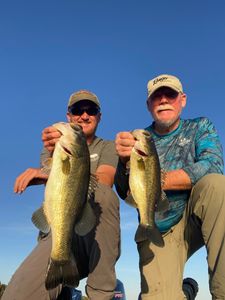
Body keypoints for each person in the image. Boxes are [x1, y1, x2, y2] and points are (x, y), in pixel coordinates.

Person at [114, 74, 225, 300]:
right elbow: (125, 192)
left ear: (182, 99)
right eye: (157, 96)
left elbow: (213, 164)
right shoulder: (139, 140)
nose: (164, 100)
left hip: (199, 217)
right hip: (159, 228)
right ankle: (185, 291)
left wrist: (153, 179)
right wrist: (124, 163)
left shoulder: (200, 127)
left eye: (170, 94)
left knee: (217, 185)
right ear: (148, 105)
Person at [3, 90, 120, 300]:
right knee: (15, 295)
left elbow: (104, 180)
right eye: (77, 110)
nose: (84, 116)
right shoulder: (55, 147)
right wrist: (50, 151)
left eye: (91, 110)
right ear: (69, 116)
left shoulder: (108, 147)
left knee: (104, 194)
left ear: (99, 116)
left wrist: (55, 170)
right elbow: (52, 174)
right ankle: (61, 277)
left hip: (90, 234)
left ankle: (100, 294)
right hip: (56, 233)